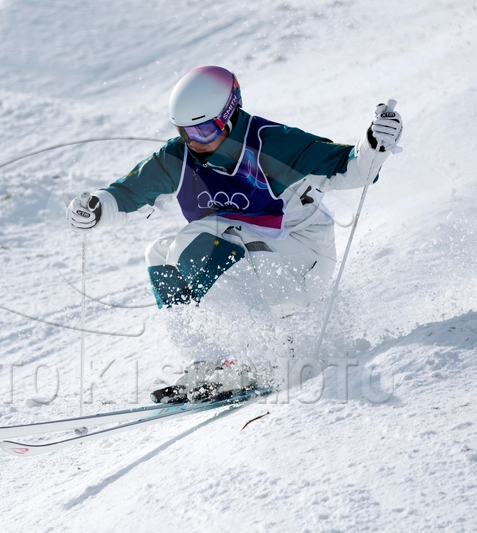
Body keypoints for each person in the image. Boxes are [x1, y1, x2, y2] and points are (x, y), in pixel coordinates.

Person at [67, 66, 402, 403]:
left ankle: (258, 355)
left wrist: (375, 142)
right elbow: (129, 192)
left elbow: (351, 167)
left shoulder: (272, 143)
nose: (194, 141)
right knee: (159, 254)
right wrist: (97, 207)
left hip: (300, 257)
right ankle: (208, 359)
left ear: (229, 115)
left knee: (199, 237)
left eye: (204, 129)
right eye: (185, 132)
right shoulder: (178, 157)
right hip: (250, 255)